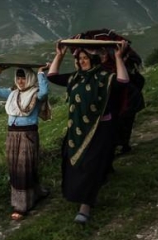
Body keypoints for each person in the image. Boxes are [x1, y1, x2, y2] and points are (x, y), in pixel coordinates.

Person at [47, 41, 129, 224]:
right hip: (76, 130)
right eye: (80, 58)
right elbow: (52, 76)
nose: (83, 61)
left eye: (86, 58)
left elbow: (123, 81)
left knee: (90, 165)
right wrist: (59, 55)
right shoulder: (75, 77)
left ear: (93, 59)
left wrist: (117, 57)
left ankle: (86, 205)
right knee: (73, 162)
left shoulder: (103, 77)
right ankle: (76, 194)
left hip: (98, 130)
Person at [0, 65, 50, 220]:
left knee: (24, 167)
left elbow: (45, 92)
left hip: (27, 134)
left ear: (29, 78)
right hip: (12, 135)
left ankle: (21, 206)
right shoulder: (12, 93)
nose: (21, 81)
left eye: (23, 77)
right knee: (15, 168)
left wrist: (41, 73)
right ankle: (35, 194)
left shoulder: (35, 93)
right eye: (18, 78)